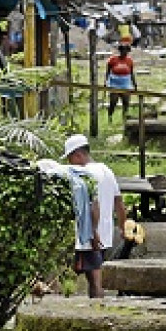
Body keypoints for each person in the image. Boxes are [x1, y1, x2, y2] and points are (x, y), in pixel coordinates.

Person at [63, 134, 127, 298]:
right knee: (95, 277)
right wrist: (123, 227)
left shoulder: (82, 174)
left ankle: (97, 315)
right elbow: (119, 203)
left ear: (78, 155)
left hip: (90, 236)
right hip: (105, 235)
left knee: (94, 282)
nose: (69, 163)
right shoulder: (106, 170)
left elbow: (93, 205)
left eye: (70, 158)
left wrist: (92, 232)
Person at [105, 43, 137, 122]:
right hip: (114, 84)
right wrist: (106, 82)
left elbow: (131, 73)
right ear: (120, 51)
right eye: (123, 51)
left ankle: (125, 120)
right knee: (113, 102)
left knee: (126, 103)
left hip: (125, 84)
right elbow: (108, 72)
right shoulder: (113, 59)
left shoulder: (129, 61)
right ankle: (110, 118)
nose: (124, 53)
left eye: (126, 51)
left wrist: (134, 84)